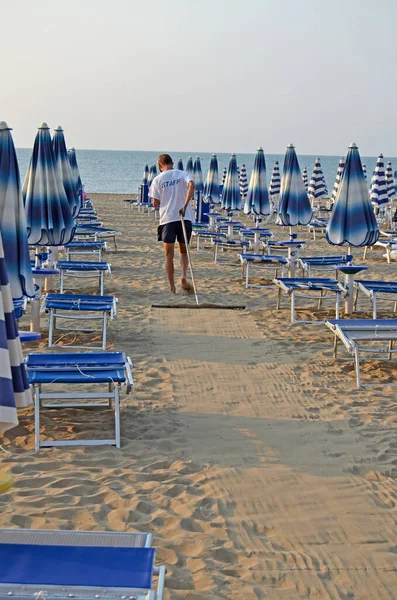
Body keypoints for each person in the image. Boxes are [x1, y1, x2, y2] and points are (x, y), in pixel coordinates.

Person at [150, 153, 195, 293]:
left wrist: (158, 201)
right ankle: (183, 276)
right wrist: (185, 203)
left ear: (160, 165)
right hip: (184, 217)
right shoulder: (183, 174)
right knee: (183, 251)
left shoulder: (157, 179)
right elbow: (191, 185)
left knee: (169, 254)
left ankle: (172, 287)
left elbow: (155, 203)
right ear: (172, 163)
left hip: (168, 219)